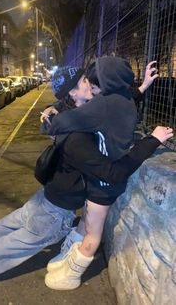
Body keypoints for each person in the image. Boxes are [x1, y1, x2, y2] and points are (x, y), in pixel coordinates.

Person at [0, 65, 172, 294]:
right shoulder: (77, 137)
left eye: (87, 79)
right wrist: (152, 141)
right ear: (73, 93)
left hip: (47, 197)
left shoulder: (76, 115)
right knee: (20, 244)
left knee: (14, 222)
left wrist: (142, 87)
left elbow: (113, 104)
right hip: (57, 210)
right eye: (83, 82)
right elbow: (112, 173)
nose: (90, 84)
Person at [40, 58, 159, 290]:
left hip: (103, 182)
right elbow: (129, 97)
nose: (92, 87)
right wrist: (143, 86)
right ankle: (68, 256)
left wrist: (51, 118)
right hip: (103, 179)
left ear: (104, 82)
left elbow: (64, 122)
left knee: (93, 235)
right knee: (86, 220)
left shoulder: (102, 105)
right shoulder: (121, 100)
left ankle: (70, 275)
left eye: (92, 82)